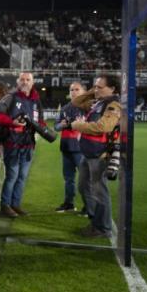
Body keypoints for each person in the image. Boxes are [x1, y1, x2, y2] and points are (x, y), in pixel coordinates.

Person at [70, 75, 121, 238]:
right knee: (84, 186)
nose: (96, 89)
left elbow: (104, 127)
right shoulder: (99, 102)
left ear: (112, 89)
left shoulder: (113, 104)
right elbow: (76, 102)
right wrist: (94, 91)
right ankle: (96, 221)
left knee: (100, 192)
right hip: (89, 153)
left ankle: (103, 228)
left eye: (100, 87)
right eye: (95, 86)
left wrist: (79, 126)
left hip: (100, 154)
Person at [0, 72, 45, 218]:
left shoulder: (36, 100)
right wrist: (12, 122)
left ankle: (15, 204)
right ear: (18, 81)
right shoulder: (11, 97)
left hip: (28, 144)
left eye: (28, 79)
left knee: (22, 176)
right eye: (22, 79)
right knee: (12, 176)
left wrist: (42, 128)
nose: (25, 82)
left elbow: (40, 120)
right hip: (12, 143)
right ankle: (5, 206)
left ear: (32, 82)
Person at [53, 82, 85, 212]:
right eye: (71, 89)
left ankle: (88, 206)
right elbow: (55, 127)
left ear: (83, 91)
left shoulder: (87, 108)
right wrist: (61, 124)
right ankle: (69, 203)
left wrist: (78, 124)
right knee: (69, 179)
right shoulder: (65, 108)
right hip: (66, 147)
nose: (74, 92)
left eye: (77, 89)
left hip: (81, 148)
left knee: (84, 180)